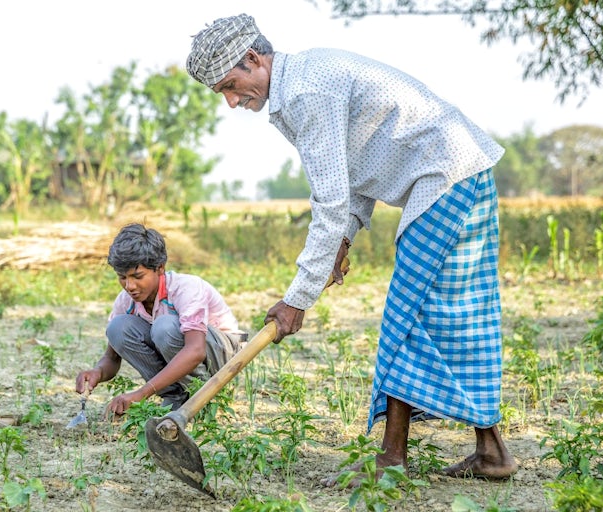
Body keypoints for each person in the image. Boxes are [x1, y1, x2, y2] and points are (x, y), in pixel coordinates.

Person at [185, 14, 518, 484]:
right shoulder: (296, 87)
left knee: (410, 315)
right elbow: (359, 167)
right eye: (221, 93)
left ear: (254, 59)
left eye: (230, 85)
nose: (231, 101)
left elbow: (329, 200)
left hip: (447, 179)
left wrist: (296, 300)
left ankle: (392, 459)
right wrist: (346, 236)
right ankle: (491, 451)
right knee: (449, 314)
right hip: (460, 174)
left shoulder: (306, 93)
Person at [75, 223, 244, 417]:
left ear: (160, 268)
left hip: (224, 357)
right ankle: (175, 397)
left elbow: (195, 350)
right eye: (122, 277)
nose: (129, 286)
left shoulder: (186, 288)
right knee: (118, 328)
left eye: (137, 276)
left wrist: (141, 393)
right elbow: (111, 358)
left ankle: (203, 397)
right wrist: (98, 372)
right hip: (190, 351)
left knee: (164, 327)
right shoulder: (126, 301)